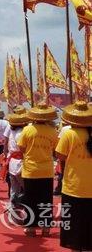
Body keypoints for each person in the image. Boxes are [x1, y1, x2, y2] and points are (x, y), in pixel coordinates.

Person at [55, 101, 92, 252]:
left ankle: (75, 248)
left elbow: (60, 155)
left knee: (73, 222)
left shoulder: (69, 133)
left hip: (73, 186)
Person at [17, 102, 58, 237]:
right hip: (46, 170)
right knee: (46, 199)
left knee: (31, 199)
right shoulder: (53, 131)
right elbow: (55, 150)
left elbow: (21, 148)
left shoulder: (28, 130)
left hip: (30, 170)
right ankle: (46, 228)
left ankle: (31, 227)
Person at [4, 106, 30, 208]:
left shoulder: (12, 131)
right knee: (25, 186)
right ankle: (24, 203)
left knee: (14, 186)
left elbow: (6, 141)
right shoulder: (23, 132)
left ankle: (13, 204)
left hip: (12, 161)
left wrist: (5, 152)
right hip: (20, 161)